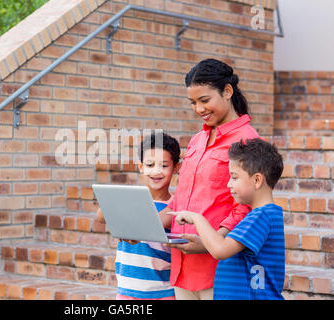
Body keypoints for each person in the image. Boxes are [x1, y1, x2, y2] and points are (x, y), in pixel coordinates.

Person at [158, 58, 260, 300]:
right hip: (182, 265)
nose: (199, 109)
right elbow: (181, 198)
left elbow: (248, 207)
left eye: (204, 100)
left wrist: (212, 242)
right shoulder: (196, 140)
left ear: (227, 91)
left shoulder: (248, 141)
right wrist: (146, 226)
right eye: (193, 102)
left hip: (220, 268)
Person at [170, 138, 285, 300]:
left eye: (234, 177)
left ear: (257, 180)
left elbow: (220, 250)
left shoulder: (261, 217)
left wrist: (197, 218)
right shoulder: (262, 215)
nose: (229, 184)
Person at [96, 132, 181, 300]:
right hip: (127, 289)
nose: (156, 171)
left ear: (176, 168)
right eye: (150, 165)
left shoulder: (175, 207)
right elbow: (100, 216)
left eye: (164, 166)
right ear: (141, 166)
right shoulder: (131, 200)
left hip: (162, 290)